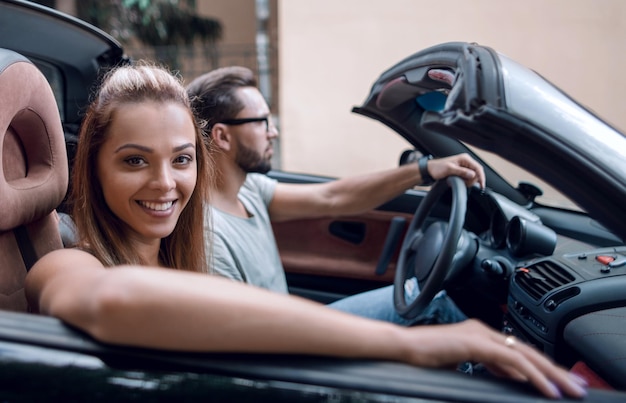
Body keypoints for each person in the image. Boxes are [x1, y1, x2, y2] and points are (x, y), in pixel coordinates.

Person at [24, 63, 586, 400]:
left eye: (181, 159)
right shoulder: (69, 254)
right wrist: (406, 344)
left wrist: (422, 170)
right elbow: (107, 299)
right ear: (93, 166)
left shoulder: (191, 241)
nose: (165, 183)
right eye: (133, 161)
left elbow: (333, 197)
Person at [186, 66, 482, 326]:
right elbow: (247, 338)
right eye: (262, 121)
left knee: (424, 295)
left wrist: (425, 169)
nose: (273, 132)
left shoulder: (249, 189)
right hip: (289, 347)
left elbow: (333, 197)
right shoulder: (211, 238)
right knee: (434, 300)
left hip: (295, 327)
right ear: (223, 136)